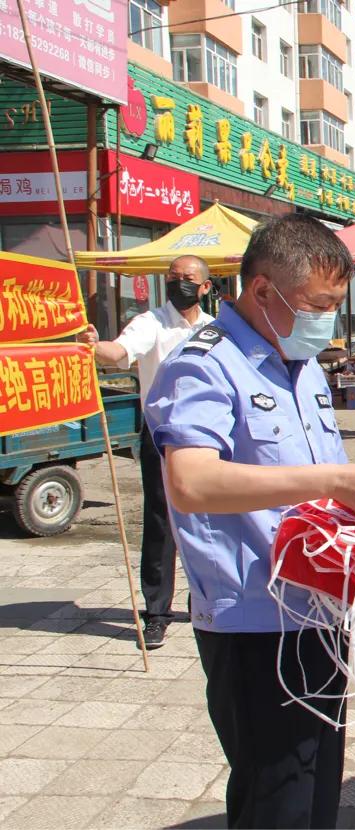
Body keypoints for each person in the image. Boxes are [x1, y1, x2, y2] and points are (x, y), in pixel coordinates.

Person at [144, 215, 355, 828]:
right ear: (263, 290)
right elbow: (191, 481)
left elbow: (312, 477)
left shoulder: (301, 361)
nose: (328, 322)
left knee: (316, 787)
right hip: (253, 620)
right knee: (275, 794)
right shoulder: (203, 364)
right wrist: (333, 482)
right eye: (319, 306)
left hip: (320, 604)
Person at [77, 255, 214, 649]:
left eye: (187, 279)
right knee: (161, 524)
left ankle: (205, 600)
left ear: (205, 287)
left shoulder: (213, 328)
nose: (178, 284)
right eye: (173, 278)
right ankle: (156, 613)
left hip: (208, 436)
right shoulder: (151, 322)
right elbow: (118, 352)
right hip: (162, 435)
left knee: (207, 521)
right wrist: (94, 346)